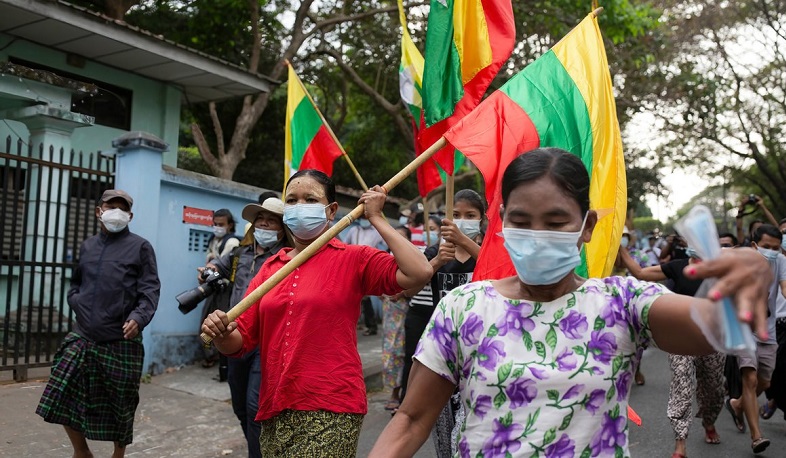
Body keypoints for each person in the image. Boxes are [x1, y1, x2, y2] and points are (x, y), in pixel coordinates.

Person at [368, 148, 771, 458]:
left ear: (587, 226)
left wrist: (754, 268)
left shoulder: (622, 303)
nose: (537, 234)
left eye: (557, 222)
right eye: (522, 222)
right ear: (503, 222)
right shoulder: (463, 308)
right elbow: (411, 419)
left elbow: (716, 327)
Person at [201, 170, 432, 456]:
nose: (299, 207)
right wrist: (222, 332)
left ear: (331, 209)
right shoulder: (270, 269)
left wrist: (376, 217)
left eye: (310, 199)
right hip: (274, 407)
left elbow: (419, 272)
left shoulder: (354, 258)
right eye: (292, 200)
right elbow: (240, 342)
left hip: (331, 406)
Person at [36, 189, 160, 458]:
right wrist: (75, 301)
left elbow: (150, 291)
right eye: (110, 206)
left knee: (121, 404)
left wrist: (138, 318)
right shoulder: (87, 246)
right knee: (61, 392)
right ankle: (82, 452)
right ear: (98, 212)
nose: (116, 212)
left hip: (120, 340)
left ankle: (118, 454)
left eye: (121, 208)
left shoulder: (141, 247)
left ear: (130, 215)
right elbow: (75, 283)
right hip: (83, 336)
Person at [200, 197, 287, 458]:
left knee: (254, 407)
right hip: (235, 337)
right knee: (239, 406)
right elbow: (217, 265)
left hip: (266, 340)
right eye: (260, 220)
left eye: (271, 221)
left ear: (282, 228)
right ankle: (259, 449)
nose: (264, 224)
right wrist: (209, 270)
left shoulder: (285, 257)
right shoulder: (240, 253)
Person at [620, 243, 724, 457]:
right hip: (681, 337)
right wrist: (619, 247)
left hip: (714, 339)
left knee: (713, 388)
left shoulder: (721, 268)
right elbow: (640, 273)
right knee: (682, 385)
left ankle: (709, 420)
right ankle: (680, 443)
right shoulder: (677, 267)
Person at [420, 189, 486, 457]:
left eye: (470, 215)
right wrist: (436, 261)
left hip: (482, 349)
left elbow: (499, 271)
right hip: (444, 349)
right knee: (445, 427)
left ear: (482, 219)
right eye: (456, 215)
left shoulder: (488, 252)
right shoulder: (436, 251)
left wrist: (464, 242)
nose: (462, 220)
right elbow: (408, 290)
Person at [725, 224, 786, 453]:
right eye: (766, 247)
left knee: (764, 383)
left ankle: (737, 404)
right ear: (754, 246)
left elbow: (785, 288)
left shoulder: (780, 262)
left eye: (776, 248)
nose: (771, 252)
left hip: (767, 332)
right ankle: (756, 437)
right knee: (749, 381)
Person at [200, 208, 241, 373]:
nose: (217, 227)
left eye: (221, 224)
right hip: (212, 287)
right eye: (215, 224)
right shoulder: (213, 240)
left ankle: (217, 356)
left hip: (225, 289)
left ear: (230, 225)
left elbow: (220, 265)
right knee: (206, 321)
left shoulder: (232, 243)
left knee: (221, 324)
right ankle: (210, 355)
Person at [381, 225, 413, 412]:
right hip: (389, 314)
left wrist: (401, 294)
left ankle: (399, 394)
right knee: (389, 353)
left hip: (406, 311)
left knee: (402, 353)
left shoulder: (412, 260)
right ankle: (392, 391)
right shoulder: (384, 258)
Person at [344, 216, 387, 336]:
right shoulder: (354, 230)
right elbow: (346, 244)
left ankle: (371, 325)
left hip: (368, 266)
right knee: (356, 296)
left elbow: (386, 243)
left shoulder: (376, 231)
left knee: (366, 297)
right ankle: (360, 324)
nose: (363, 220)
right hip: (353, 265)